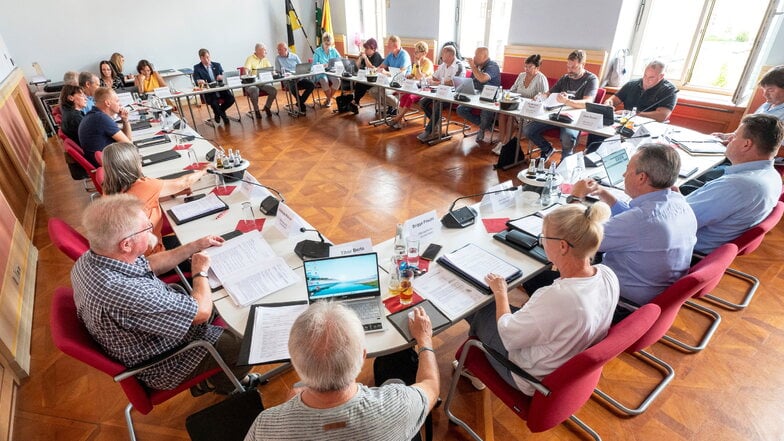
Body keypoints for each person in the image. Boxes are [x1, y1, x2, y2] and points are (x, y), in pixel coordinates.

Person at [71, 194, 259, 394]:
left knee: (221, 300)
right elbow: (201, 313)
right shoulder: (125, 293)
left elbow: (149, 264)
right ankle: (222, 385)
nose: (151, 229)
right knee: (246, 343)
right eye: (146, 228)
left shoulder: (91, 259)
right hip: (167, 361)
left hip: (151, 332)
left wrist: (194, 246)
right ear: (126, 244)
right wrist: (199, 271)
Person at [465, 203, 618, 395]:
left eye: (543, 237)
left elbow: (508, 335)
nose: (542, 241)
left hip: (527, 376)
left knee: (478, 302)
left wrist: (501, 293)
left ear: (562, 246)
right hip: (565, 360)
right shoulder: (607, 274)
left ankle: (473, 366)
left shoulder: (559, 297)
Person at [243, 301, 438, 441]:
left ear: (295, 363)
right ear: (363, 357)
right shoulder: (399, 403)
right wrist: (424, 339)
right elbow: (430, 385)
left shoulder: (266, 426)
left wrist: (288, 409)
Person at [570, 143, 697, 316]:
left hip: (621, 303)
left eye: (628, 169)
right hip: (655, 294)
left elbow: (578, 238)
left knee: (544, 273)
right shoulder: (680, 203)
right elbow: (634, 220)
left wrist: (575, 197)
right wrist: (604, 194)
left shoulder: (641, 220)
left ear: (641, 178)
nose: (623, 174)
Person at [686, 114, 784, 254]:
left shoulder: (737, 186)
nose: (730, 139)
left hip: (684, 248)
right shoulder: (773, 175)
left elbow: (674, 222)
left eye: (735, 135)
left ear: (746, 144)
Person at [102, 142, 209, 254]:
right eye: (139, 158)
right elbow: (183, 182)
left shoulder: (108, 188)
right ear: (132, 164)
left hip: (131, 253)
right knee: (203, 240)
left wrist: (173, 194)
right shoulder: (143, 185)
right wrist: (204, 171)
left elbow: (140, 203)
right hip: (154, 257)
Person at [586, 60, 677, 154]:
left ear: (661, 76)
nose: (646, 80)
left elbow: (662, 115)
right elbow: (614, 99)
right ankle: (591, 156)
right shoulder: (632, 84)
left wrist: (632, 114)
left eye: (651, 77)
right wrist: (608, 103)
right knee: (598, 130)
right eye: (645, 75)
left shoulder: (669, 90)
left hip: (647, 129)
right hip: (625, 124)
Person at [524, 49, 598, 160]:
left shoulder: (591, 79)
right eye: (568, 67)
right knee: (528, 130)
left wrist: (567, 101)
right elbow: (549, 93)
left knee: (567, 136)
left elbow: (587, 103)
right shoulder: (565, 78)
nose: (569, 71)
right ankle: (547, 149)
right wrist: (540, 97)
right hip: (557, 114)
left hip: (575, 119)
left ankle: (564, 163)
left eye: (573, 67)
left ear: (583, 65)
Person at [492, 54, 549, 155]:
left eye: (529, 67)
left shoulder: (541, 78)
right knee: (505, 114)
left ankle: (507, 145)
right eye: (525, 66)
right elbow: (512, 90)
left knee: (513, 118)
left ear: (537, 67)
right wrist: (507, 94)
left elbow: (543, 98)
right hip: (518, 107)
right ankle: (503, 143)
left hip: (532, 111)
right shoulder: (521, 75)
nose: (526, 69)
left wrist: (534, 99)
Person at [417, 44, 463, 143]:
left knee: (438, 105)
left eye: (443, 54)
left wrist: (438, 82)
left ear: (451, 56)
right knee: (422, 102)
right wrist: (428, 79)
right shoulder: (443, 65)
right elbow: (434, 77)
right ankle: (436, 124)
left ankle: (428, 131)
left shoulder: (459, 66)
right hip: (440, 92)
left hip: (453, 95)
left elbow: (454, 82)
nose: (441, 56)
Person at [455, 46, 501, 143]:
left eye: (476, 55)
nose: (474, 57)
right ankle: (485, 125)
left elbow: (482, 79)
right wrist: (463, 86)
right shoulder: (477, 67)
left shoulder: (493, 66)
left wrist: (472, 66)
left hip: (489, 97)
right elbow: (472, 81)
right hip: (475, 94)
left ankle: (483, 128)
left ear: (485, 56)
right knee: (460, 110)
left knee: (485, 111)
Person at [77, 87, 131, 166]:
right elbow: (129, 145)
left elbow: (127, 140)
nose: (120, 104)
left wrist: (125, 120)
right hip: (109, 166)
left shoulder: (95, 114)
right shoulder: (101, 118)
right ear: (107, 103)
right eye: (117, 101)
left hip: (104, 160)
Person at [389, 40, 433, 130]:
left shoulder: (427, 63)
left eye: (417, 52)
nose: (414, 54)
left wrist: (417, 65)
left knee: (410, 97)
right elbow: (413, 75)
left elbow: (420, 77)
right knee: (403, 96)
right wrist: (407, 76)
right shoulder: (417, 63)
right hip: (415, 87)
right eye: (415, 51)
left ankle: (397, 118)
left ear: (424, 53)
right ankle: (399, 122)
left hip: (424, 89)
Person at [193, 48, 236, 125]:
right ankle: (223, 116)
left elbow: (224, 77)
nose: (207, 59)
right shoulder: (197, 68)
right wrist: (199, 81)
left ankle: (219, 112)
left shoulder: (217, 65)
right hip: (209, 93)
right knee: (214, 103)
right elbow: (196, 80)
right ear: (200, 58)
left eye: (208, 57)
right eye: (204, 58)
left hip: (221, 89)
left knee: (231, 99)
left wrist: (221, 77)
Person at [374, 35, 412, 115]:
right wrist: (375, 70)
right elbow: (381, 66)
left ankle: (399, 108)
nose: (387, 46)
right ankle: (391, 106)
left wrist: (386, 73)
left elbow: (401, 74)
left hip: (403, 81)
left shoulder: (404, 55)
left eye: (389, 45)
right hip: (391, 80)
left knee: (382, 90)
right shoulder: (390, 55)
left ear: (395, 46)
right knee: (373, 91)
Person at [275, 42, 315, 114]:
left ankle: (300, 102)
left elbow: (301, 67)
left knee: (311, 85)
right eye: (278, 50)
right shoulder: (278, 58)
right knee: (293, 87)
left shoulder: (294, 56)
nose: (278, 51)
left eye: (280, 50)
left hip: (299, 78)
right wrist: (283, 74)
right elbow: (278, 71)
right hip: (288, 80)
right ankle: (301, 104)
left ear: (285, 49)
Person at [349, 38, 384, 114]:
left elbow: (372, 68)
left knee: (360, 84)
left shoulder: (377, 55)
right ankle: (355, 102)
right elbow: (356, 68)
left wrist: (365, 58)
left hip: (376, 79)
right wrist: (360, 58)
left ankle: (355, 102)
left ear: (373, 48)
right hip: (367, 78)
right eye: (365, 48)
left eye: (367, 48)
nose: (366, 50)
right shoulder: (366, 56)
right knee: (359, 83)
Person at [243, 43, 278, 118]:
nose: (266, 52)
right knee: (255, 90)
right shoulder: (250, 58)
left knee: (273, 90)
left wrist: (274, 73)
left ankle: (267, 107)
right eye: (264, 50)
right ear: (258, 51)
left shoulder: (265, 59)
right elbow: (245, 70)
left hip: (263, 83)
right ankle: (256, 110)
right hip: (252, 84)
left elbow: (272, 70)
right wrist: (247, 73)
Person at [312, 32, 342, 107]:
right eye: (326, 44)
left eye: (329, 44)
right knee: (324, 81)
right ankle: (329, 100)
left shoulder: (333, 50)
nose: (328, 46)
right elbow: (314, 65)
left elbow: (340, 59)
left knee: (337, 80)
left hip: (331, 71)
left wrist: (335, 63)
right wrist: (323, 65)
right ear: (323, 42)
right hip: (321, 72)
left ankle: (328, 99)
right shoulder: (317, 51)